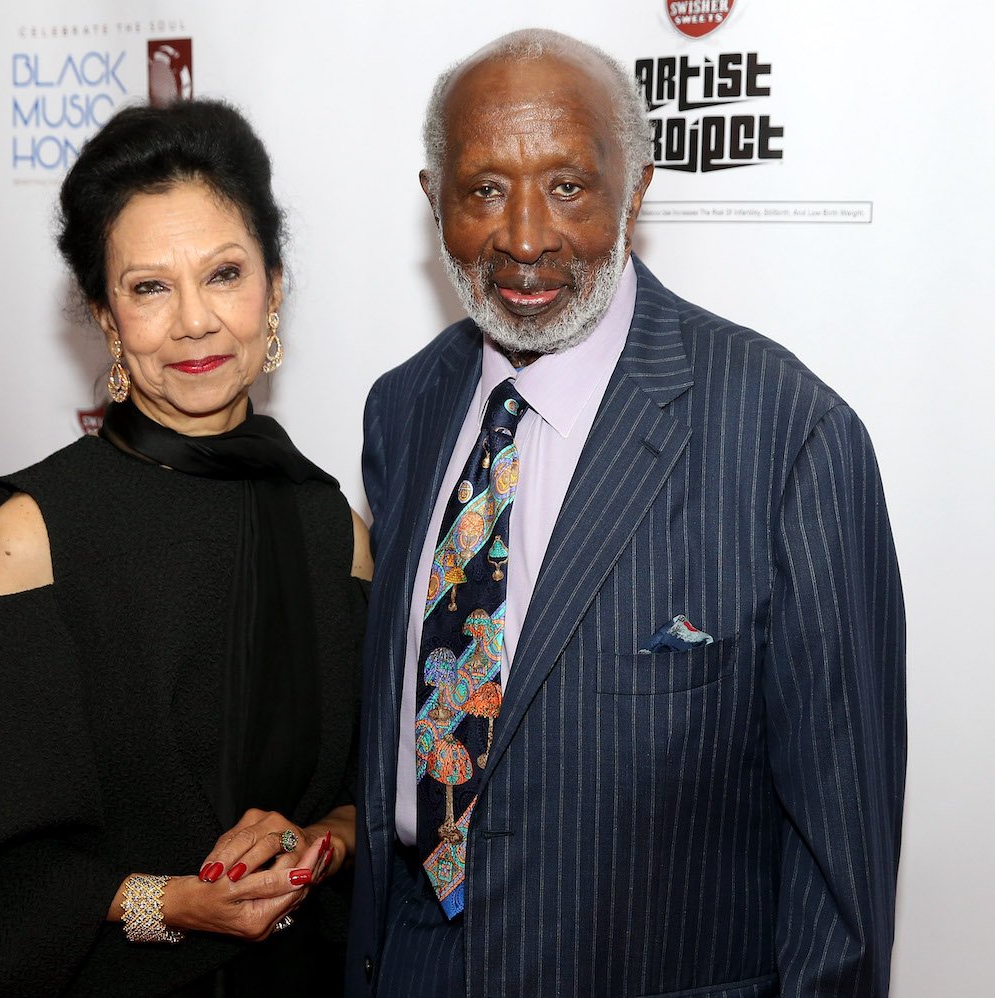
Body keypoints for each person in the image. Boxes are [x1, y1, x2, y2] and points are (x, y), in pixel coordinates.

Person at [348, 28, 905, 998]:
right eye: (483, 189)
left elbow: (839, 859)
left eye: (567, 184)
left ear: (635, 188)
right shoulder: (402, 408)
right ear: (432, 200)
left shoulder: (785, 434)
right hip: (409, 955)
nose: (523, 236)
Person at [0, 99, 372, 997]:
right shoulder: (43, 529)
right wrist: (165, 903)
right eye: (149, 288)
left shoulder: (335, 530)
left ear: (275, 286)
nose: (195, 323)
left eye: (223, 273)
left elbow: (390, 802)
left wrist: (314, 844)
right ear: (104, 315)